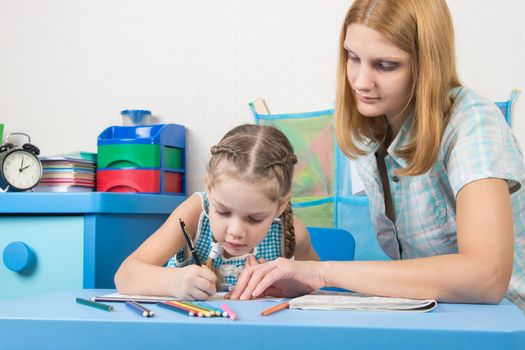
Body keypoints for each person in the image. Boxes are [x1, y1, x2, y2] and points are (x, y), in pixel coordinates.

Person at [227, 0, 525, 312]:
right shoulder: (372, 131)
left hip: (505, 327)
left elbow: (487, 277)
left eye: (385, 65)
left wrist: (320, 272)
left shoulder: (473, 123)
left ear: (427, 65)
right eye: (353, 58)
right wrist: (307, 279)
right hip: (441, 319)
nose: (360, 81)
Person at [114, 124, 319, 300]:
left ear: (281, 205)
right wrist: (173, 282)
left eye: (254, 219)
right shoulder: (194, 213)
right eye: (223, 211)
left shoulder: (289, 232)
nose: (236, 231)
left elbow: (316, 281)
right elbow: (125, 275)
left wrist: (291, 286)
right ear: (209, 189)